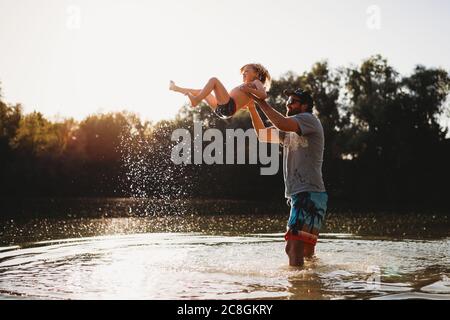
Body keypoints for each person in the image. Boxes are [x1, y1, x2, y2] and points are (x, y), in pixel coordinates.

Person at [246, 88, 328, 267]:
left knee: (292, 248)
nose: (288, 103)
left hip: (307, 194)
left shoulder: (308, 119)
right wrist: (252, 108)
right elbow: (261, 135)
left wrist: (261, 101)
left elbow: (282, 123)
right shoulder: (290, 129)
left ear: (305, 105)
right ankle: (311, 287)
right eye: (288, 100)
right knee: (306, 253)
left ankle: (296, 291)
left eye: (293, 101)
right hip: (311, 195)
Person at [169, 63, 271, 120]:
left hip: (228, 106)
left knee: (214, 80)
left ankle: (196, 100)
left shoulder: (256, 82)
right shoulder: (248, 88)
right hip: (222, 109)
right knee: (202, 92)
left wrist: (248, 90)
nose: (244, 73)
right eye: (243, 72)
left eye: (247, 71)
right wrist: (245, 102)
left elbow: (263, 95)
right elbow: (244, 105)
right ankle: (176, 88)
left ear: (257, 74)